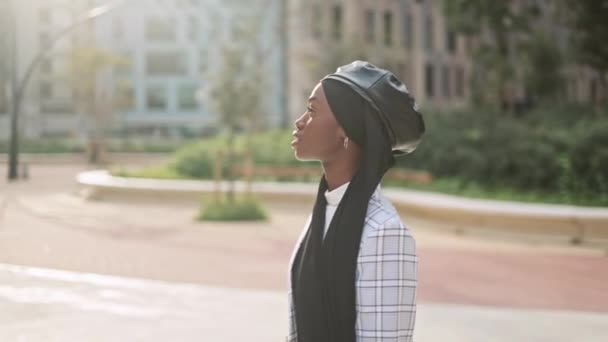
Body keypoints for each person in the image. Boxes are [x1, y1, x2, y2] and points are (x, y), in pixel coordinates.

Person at [287, 61, 425, 342]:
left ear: (345, 131)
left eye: (312, 111)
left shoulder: (384, 232)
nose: (299, 121)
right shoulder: (324, 212)